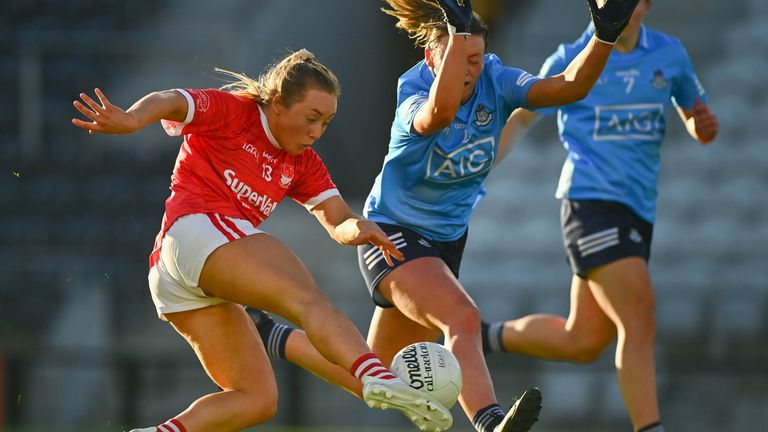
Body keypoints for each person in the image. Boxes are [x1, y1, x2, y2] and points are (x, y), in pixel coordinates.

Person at [247, 1, 641, 431]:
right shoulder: (413, 93)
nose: (471, 68)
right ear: (433, 56)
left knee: (372, 378)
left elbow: (568, 87)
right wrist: (456, 37)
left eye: (476, 58)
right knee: (462, 316)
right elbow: (442, 112)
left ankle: (272, 336)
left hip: (447, 244)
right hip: (393, 235)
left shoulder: (496, 78)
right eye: (460, 57)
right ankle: (489, 421)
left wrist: (602, 37)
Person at [71, 49, 455, 432]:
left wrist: (361, 229)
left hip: (177, 276)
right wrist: (132, 119)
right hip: (195, 230)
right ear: (276, 104)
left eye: (326, 122)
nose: (317, 132)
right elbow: (171, 100)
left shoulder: (303, 163)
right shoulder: (234, 112)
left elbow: (338, 220)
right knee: (310, 301)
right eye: (311, 118)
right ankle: (377, 375)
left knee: (255, 399)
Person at [480, 2, 719, 431]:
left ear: (645, 5)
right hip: (589, 203)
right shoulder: (570, 58)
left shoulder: (669, 54)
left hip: (637, 211)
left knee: (584, 339)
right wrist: (470, 171)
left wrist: (701, 125)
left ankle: (480, 338)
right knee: (639, 318)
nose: (619, 8)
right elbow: (519, 121)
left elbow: (693, 115)